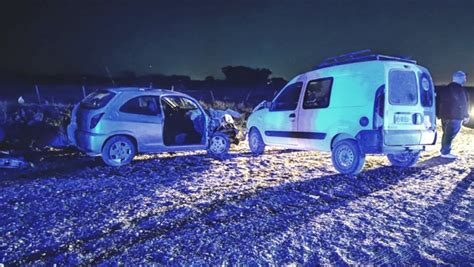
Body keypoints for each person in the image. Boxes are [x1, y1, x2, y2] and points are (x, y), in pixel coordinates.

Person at [437, 71, 470, 159]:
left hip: (445, 116)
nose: (465, 79)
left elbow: (439, 101)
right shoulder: (460, 89)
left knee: (446, 134)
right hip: (455, 116)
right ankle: (445, 152)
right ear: (460, 78)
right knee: (450, 135)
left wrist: (439, 114)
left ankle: (444, 151)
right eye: (464, 78)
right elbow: (463, 103)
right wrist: (466, 115)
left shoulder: (445, 89)